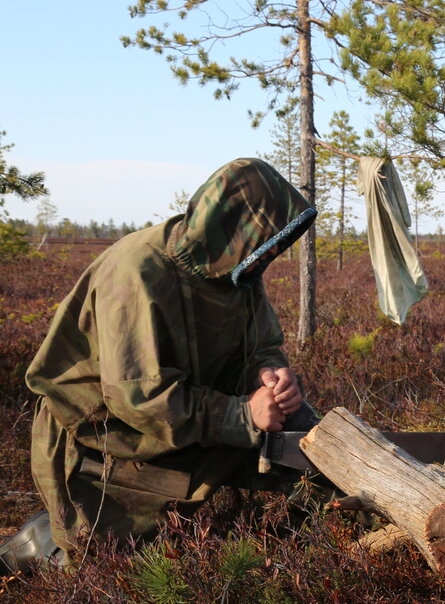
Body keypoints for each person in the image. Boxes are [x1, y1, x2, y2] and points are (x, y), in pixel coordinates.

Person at [1, 157, 318, 574]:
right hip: (105, 439)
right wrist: (243, 414)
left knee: (307, 444)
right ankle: (38, 544)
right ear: (230, 226)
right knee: (107, 572)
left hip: (184, 422)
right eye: (269, 239)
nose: (275, 251)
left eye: (280, 241)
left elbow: (261, 344)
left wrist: (269, 373)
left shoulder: (236, 271)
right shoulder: (137, 273)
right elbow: (138, 397)